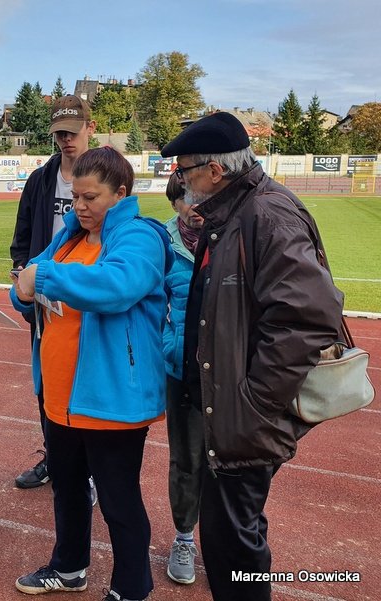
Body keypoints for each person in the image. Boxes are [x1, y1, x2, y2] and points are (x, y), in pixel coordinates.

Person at [160, 112, 344, 601]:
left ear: (215, 170)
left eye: (185, 169)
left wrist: (254, 404)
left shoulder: (265, 214)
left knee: (233, 545)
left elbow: (308, 319)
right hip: (231, 410)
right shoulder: (234, 212)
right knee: (231, 535)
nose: (180, 179)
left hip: (245, 418)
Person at [10, 147, 173, 601]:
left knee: (119, 500)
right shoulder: (69, 236)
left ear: (119, 193)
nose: (79, 206)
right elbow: (23, 285)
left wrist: (40, 278)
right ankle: (69, 568)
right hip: (60, 395)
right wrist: (26, 289)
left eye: (90, 197)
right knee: (67, 488)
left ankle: (132, 589)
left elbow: (117, 286)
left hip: (111, 398)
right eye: (76, 197)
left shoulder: (139, 236)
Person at [9, 95, 96, 493]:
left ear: (90, 128)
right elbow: (23, 234)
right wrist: (22, 275)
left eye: (72, 132)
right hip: (44, 299)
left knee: (87, 383)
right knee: (47, 383)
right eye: (59, 133)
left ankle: (89, 469)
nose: (66, 140)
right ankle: (55, 456)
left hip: (88, 298)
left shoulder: (106, 174)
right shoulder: (41, 179)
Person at [161, 176, 205, 585]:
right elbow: (149, 304)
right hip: (181, 371)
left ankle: (229, 538)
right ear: (174, 204)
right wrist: (168, 345)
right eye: (187, 199)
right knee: (187, 460)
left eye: (201, 197)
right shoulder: (163, 244)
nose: (195, 206)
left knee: (234, 462)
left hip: (230, 374)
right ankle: (184, 538)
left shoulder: (232, 236)